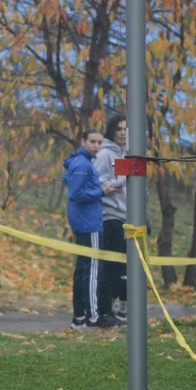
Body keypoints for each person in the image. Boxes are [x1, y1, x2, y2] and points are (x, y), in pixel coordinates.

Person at [62, 129, 120, 329]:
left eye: (99, 142)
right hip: (90, 224)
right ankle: (93, 317)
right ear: (83, 141)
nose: (96, 146)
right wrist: (102, 191)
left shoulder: (79, 162)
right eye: (93, 142)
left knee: (83, 270)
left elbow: (66, 180)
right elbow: (76, 194)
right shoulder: (82, 164)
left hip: (84, 222)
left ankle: (79, 317)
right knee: (93, 271)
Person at [93, 114, 127, 321]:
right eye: (119, 129)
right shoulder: (105, 154)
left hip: (129, 217)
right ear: (112, 131)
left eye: (126, 129)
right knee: (113, 266)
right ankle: (107, 308)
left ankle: (124, 305)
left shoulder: (130, 154)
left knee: (127, 267)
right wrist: (120, 181)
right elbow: (100, 182)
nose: (123, 133)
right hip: (111, 216)